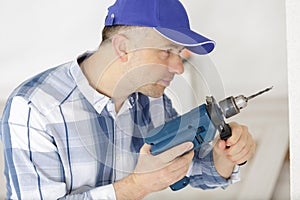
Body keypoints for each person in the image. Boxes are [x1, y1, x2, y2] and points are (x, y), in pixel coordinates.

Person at [0, 0, 256, 199]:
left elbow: (187, 166)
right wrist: (135, 186)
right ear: (123, 48)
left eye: (179, 52)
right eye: (167, 51)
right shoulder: (35, 108)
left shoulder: (151, 99)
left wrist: (225, 158)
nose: (179, 67)